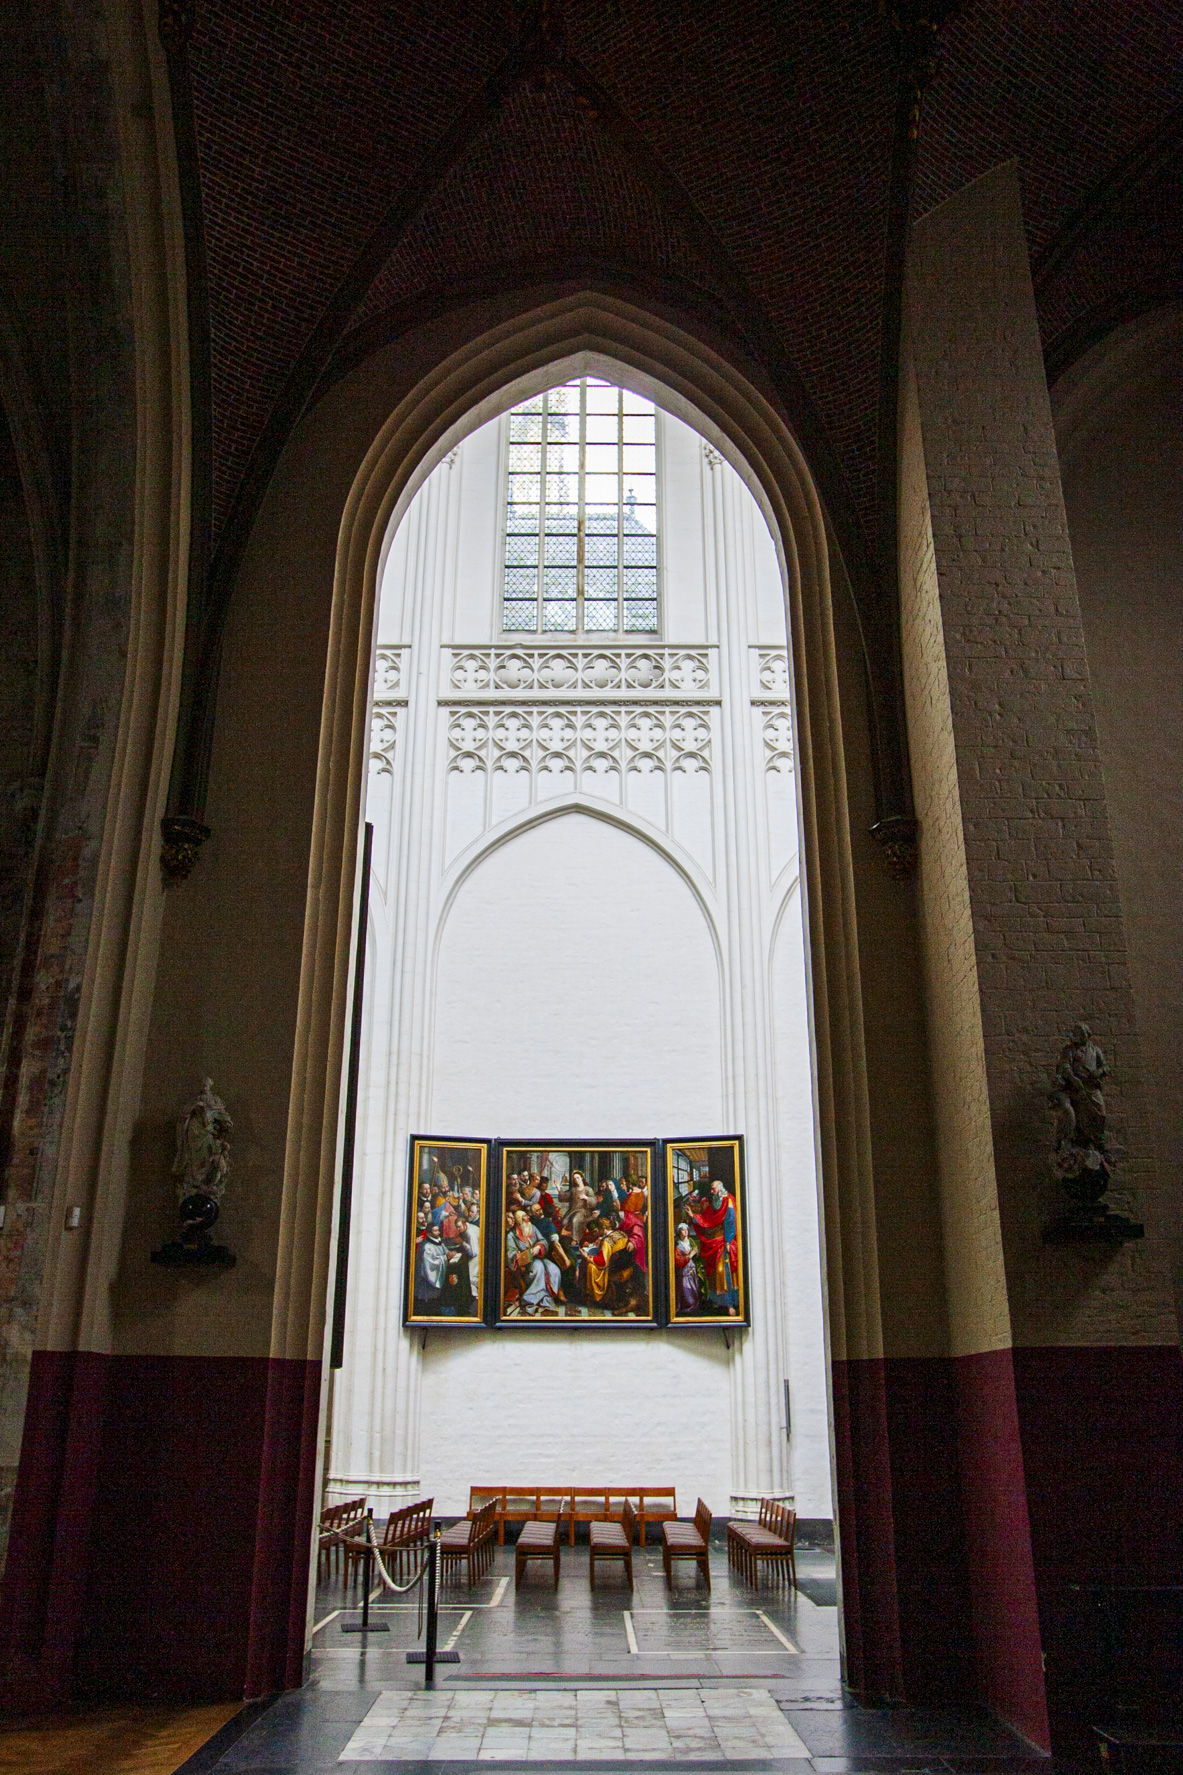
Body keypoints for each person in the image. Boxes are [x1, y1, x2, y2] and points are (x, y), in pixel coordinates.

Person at [687, 1177, 740, 1314]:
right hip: (712, 1242)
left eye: (713, 1189)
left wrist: (728, 1241)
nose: (711, 1191)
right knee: (713, 1273)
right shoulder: (712, 1202)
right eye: (710, 1189)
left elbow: (730, 1222)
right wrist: (693, 1216)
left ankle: (729, 1304)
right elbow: (707, 1220)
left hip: (723, 1242)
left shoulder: (728, 1201)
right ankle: (717, 1300)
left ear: (720, 1189)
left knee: (723, 1271)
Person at [506, 1209, 561, 1315]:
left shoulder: (533, 1228)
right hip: (525, 1264)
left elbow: (543, 1240)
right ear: (519, 1220)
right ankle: (530, 1302)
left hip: (538, 1258)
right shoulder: (511, 1235)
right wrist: (516, 1255)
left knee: (554, 1270)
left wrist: (539, 1247)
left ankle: (545, 1299)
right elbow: (510, 1252)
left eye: (527, 1216)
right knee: (538, 1268)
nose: (528, 1218)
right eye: (525, 1217)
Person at [673, 1222, 701, 1313]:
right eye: (683, 1230)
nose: (685, 1232)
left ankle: (695, 1307)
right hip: (684, 1273)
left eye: (686, 1230)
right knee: (687, 1293)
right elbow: (678, 1261)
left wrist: (694, 1253)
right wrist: (689, 1255)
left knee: (694, 1291)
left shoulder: (691, 1242)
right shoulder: (677, 1245)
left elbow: (698, 1255)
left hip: (692, 1271)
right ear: (679, 1232)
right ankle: (687, 1307)